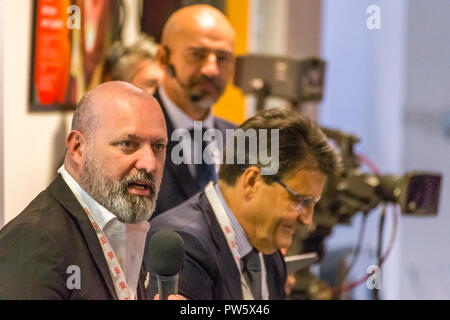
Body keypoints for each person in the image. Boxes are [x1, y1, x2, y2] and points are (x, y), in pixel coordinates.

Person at [144, 108, 342, 300]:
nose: (307, 219)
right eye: (300, 200)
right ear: (252, 182)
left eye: (313, 203)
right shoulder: (183, 246)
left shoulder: (266, 242)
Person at [0, 82, 168, 299]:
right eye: (128, 144)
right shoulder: (32, 240)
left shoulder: (125, 225)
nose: (150, 163)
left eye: (159, 147)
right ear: (78, 148)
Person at [151, 4, 237, 217]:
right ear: (163, 58)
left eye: (223, 58)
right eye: (197, 55)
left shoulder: (241, 141)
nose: (211, 69)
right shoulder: (123, 135)